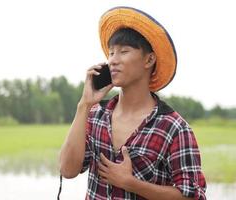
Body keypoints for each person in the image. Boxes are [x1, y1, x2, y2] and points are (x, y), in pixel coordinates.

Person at [59, 6, 206, 200]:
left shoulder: (174, 128)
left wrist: (130, 183)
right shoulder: (95, 115)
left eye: (123, 51)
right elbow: (67, 170)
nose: (113, 60)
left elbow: (193, 196)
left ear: (149, 59)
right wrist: (84, 105)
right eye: (111, 53)